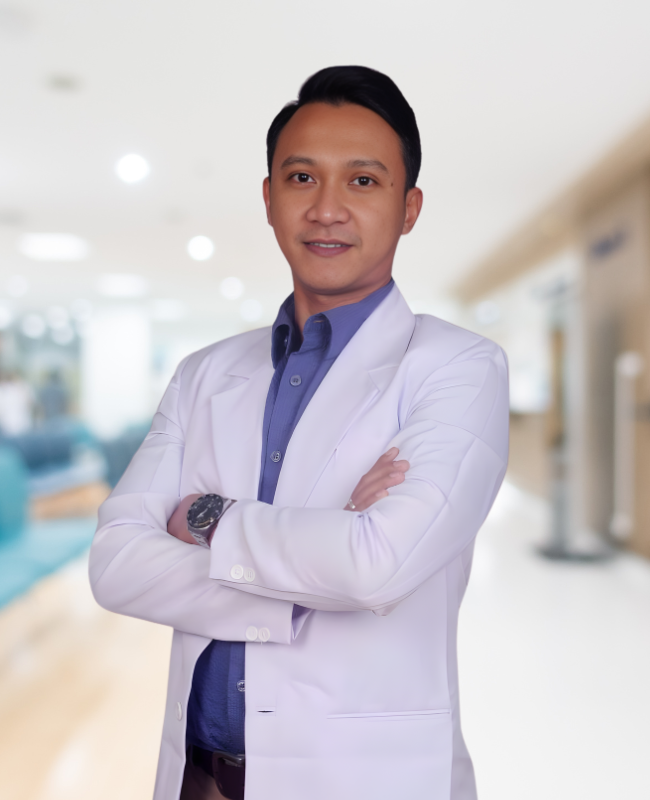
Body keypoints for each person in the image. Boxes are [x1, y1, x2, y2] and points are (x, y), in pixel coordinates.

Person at [89, 65, 509, 800]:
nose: (327, 209)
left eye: (363, 181)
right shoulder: (203, 373)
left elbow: (375, 565)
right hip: (201, 777)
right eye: (302, 177)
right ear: (268, 197)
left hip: (361, 779)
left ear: (409, 208)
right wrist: (316, 569)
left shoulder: (460, 368)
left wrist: (207, 518)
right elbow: (115, 564)